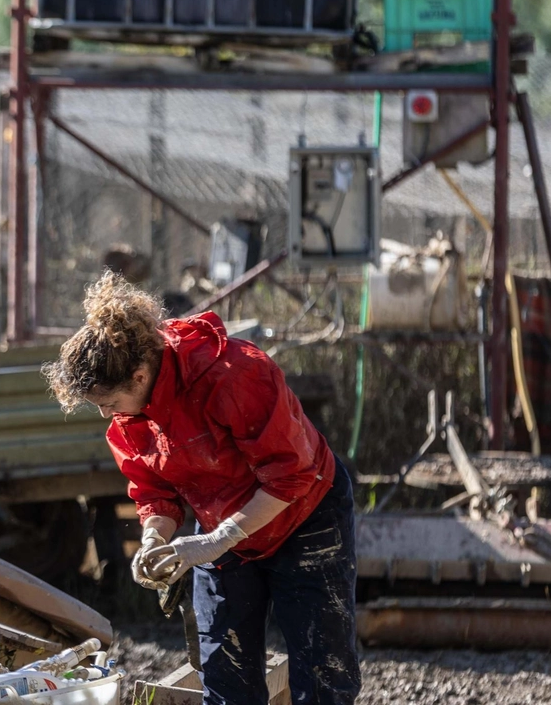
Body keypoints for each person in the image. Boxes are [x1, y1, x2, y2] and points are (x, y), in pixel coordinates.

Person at [42, 271, 360, 705]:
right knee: (225, 681)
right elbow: (153, 490)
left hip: (305, 518)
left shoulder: (235, 374)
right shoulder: (127, 418)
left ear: (138, 377)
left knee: (323, 678)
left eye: (108, 403)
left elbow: (292, 475)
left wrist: (216, 540)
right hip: (221, 529)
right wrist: (155, 538)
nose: (105, 416)